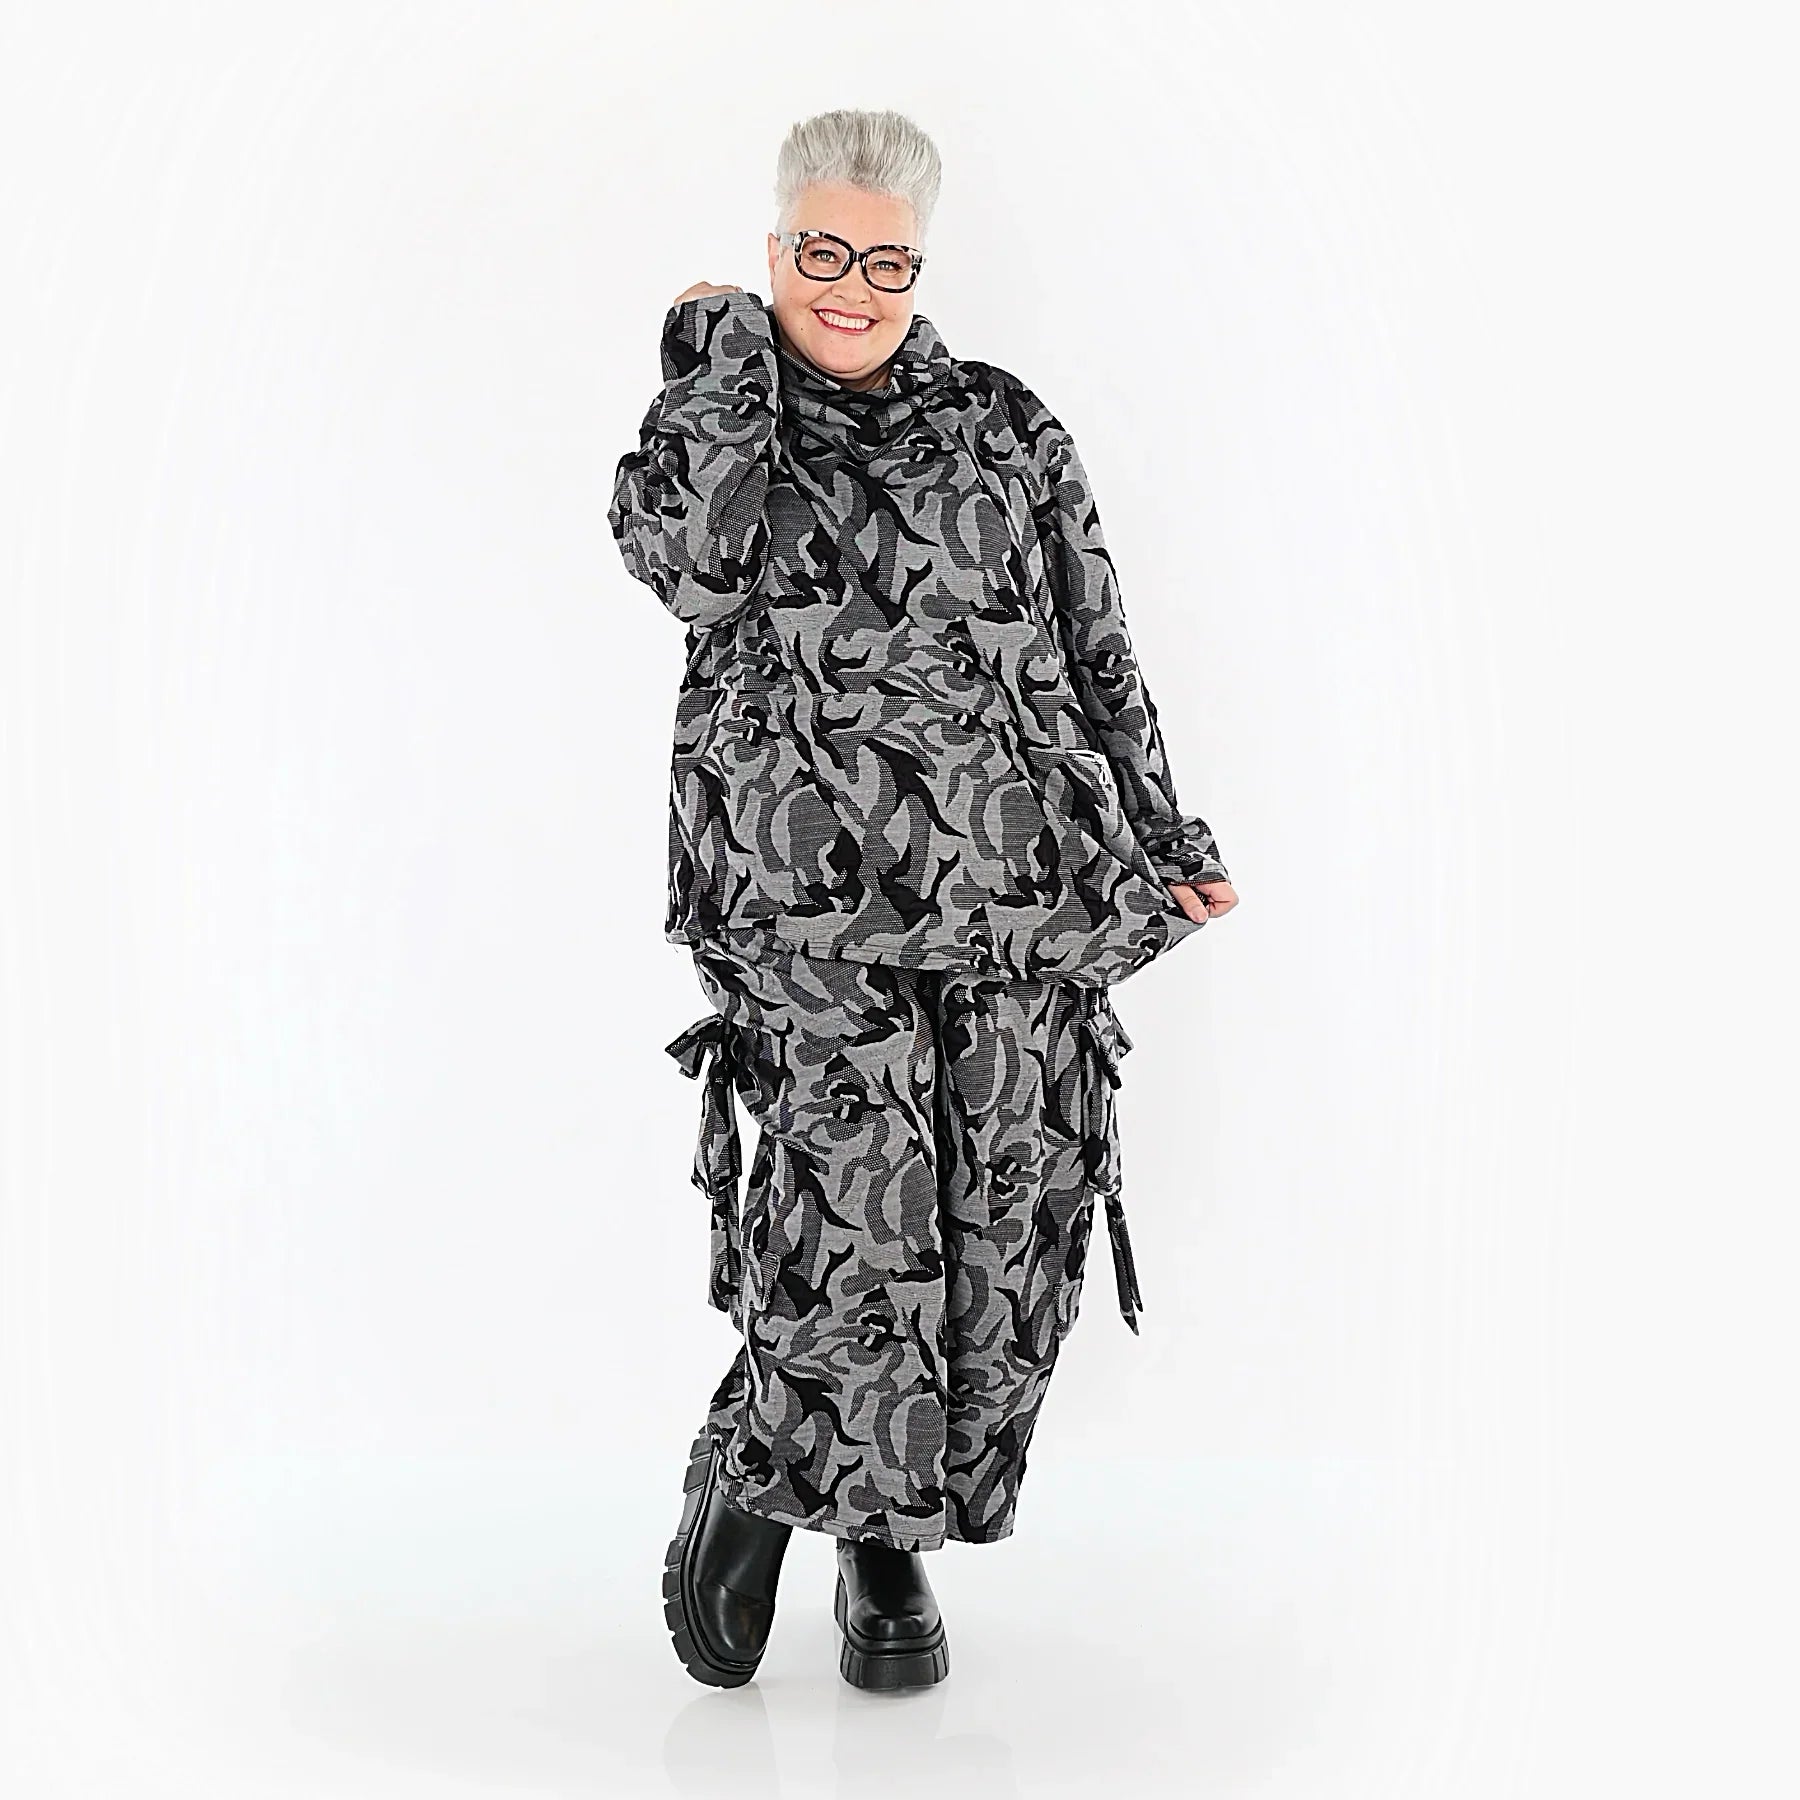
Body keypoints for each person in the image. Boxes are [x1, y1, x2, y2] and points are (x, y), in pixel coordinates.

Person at [608, 108, 1239, 1692]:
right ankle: (777, 1486)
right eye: (821, 252)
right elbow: (684, 566)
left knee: (1002, 1232)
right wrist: (721, 362)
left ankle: (882, 1524)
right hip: (802, 903)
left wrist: (1162, 826)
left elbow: (1096, 645)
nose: (852, 287)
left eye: (885, 260)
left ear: (920, 265)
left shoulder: (1007, 428)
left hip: (1015, 888)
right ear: (774, 251)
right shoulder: (724, 420)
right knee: (854, 1226)